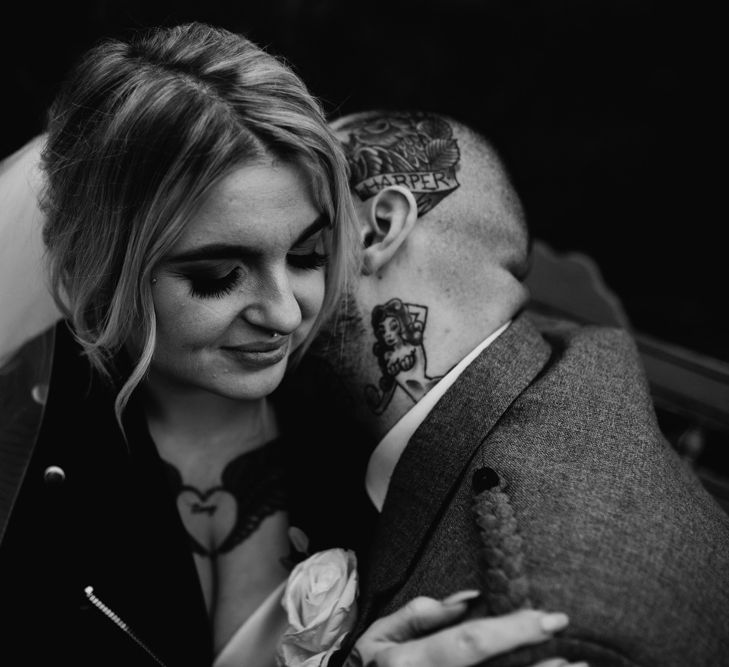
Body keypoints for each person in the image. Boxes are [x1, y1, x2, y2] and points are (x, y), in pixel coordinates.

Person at [0, 23, 581, 667]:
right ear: (98, 268)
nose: (286, 314)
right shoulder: (27, 458)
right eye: (217, 276)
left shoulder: (353, 413)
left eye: (308, 254)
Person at [296, 110, 729, 667]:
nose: (270, 301)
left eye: (298, 245)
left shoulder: (535, 633)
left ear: (377, 228)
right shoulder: (548, 377)